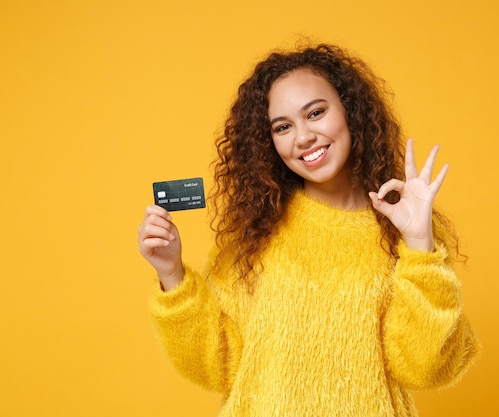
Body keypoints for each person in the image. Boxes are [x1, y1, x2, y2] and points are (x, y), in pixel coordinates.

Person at [138, 43, 480, 416]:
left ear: (350, 110)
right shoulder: (257, 233)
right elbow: (220, 365)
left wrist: (419, 243)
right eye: (283, 127)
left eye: (315, 113)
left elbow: (427, 370)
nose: (302, 137)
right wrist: (171, 274)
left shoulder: (408, 230)